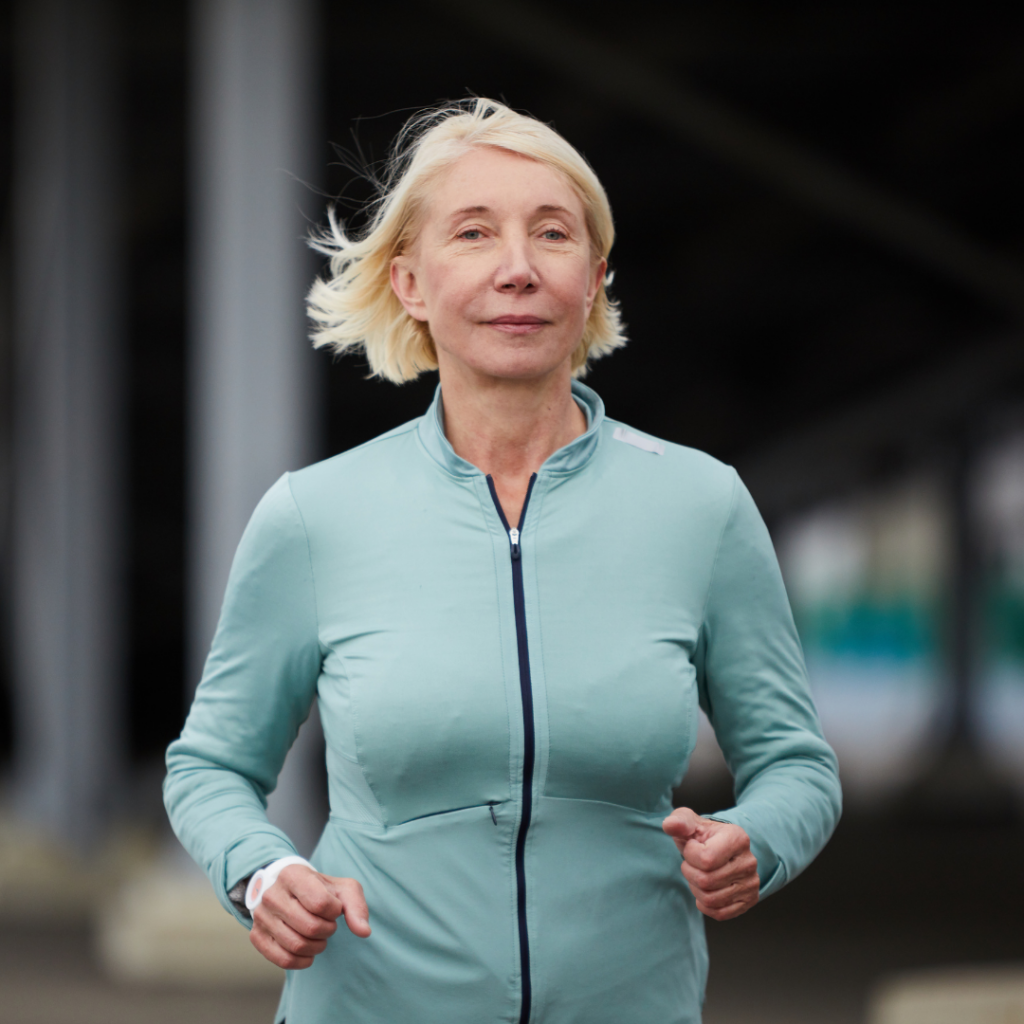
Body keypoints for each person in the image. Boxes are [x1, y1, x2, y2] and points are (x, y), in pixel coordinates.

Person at [164, 97, 841, 1024]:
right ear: (410, 283)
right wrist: (263, 872)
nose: (517, 269)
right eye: (474, 233)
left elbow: (797, 765)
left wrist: (756, 839)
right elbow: (209, 767)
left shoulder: (703, 505)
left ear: (594, 279)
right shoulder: (314, 516)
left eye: (552, 234)